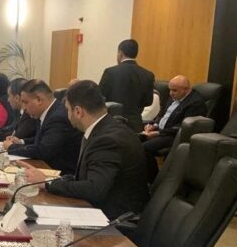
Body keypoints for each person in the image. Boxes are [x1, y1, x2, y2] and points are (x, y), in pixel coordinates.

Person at [20, 80, 149, 219]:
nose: (67, 115)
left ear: (78, 111)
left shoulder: (107, 140)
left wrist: (47, 183)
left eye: (68, 110)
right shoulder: (104, 129)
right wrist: (51, 180)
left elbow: (94, 189)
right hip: (101, 207)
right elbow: (87, 178)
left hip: (113, 219)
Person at [4, 79, 82, 175]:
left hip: (61, 174)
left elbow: (43, 150)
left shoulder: (58, 117)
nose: (23, 107)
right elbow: (43, 139)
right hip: (48, 168)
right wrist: (21, 142)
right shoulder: (48, 112)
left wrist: (12, 147)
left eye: (25, 102)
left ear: (39, 100)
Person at [142, 75, 207, 181]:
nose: (170, 93)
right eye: (170, 89)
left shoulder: (195, 103)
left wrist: (158, 133)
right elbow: (163, 114)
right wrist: (154, 125)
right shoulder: (175, 96)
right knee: (134, 141)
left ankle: (154, 180)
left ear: (186, 89)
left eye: (174, 90)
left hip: (175, 135)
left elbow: (183, 127)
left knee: (145, 148)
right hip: (162, 130)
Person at [98, 39, 155, 131]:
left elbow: (100, 97)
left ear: (120, 53)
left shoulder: (110, 72)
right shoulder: (148, 75)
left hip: (112, 123)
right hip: (135, 125)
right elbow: (148, 101)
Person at [0, 78, 37, 142]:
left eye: (9, 96)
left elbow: (17, 135)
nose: (8, 100)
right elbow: (12, 128)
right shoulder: (19, 111)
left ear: (17, 98)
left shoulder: (30, 114)